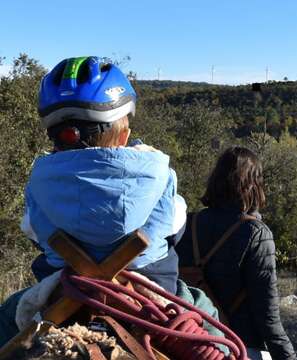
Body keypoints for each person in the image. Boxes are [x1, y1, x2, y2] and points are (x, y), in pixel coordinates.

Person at [20, 56, 186, 294]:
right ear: (123, 137)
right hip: (148, 294)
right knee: (204, 310)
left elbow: (31, 230)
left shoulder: (37, 184)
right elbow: (176, 224)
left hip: (65, 294)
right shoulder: (159, 174)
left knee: (8, 317)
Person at [176, 146, 296, 360]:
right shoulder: (257, 234)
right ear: (254, 184)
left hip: (190, 344)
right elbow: (268, 319)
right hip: (239, 348)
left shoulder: (187, 224)